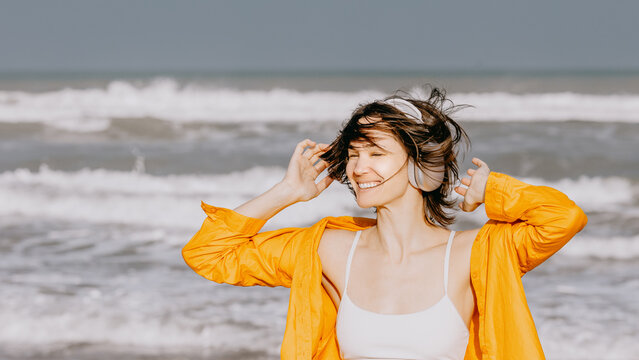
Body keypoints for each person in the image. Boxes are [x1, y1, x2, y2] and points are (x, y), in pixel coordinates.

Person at [182, 87, 588, 360]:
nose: (359, 168)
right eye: (354, 154)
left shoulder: (474, 253)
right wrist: (288, 192)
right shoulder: (328, 250)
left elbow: (562, 218)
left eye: (376, 153)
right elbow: (210, 255)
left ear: (421, 167)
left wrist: (496, 192)